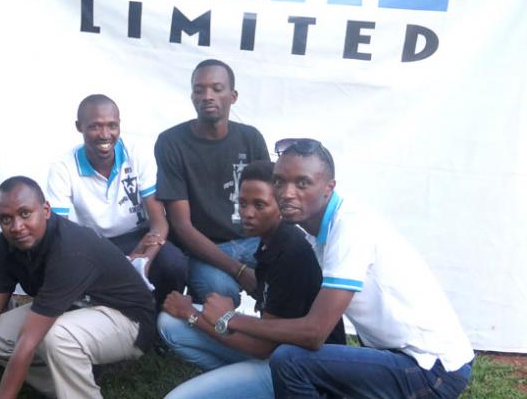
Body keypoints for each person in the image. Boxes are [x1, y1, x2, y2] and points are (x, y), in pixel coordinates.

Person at [198, 138, 474, 398]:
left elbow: (314, 333)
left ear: (328, 188)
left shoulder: (349, 229)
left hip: (432, 369)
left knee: (290, 360)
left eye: (302, 183)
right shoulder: (316, 230)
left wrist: (229, 319)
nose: (287, 193)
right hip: (398, 355)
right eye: (279, 182)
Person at [0, 176, 156, 399]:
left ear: (45, 210)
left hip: (127, 320)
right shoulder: (3, 247)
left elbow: (27, 343)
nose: (17, 226)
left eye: (25, 214)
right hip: (72, 308)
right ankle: (69, 381)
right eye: (6, 219)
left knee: (55, 338)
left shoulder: (69, 249)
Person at [158, 160, 344, 399]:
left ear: (280, 206)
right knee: (169, 323)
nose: (247, 213)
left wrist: (194, 315)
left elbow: (262, 348)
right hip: (275, 350)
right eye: (243, 203)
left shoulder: (290, 252)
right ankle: (240, 384)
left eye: (259, 205)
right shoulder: (269, 242)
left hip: (299, 368)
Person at [46, 94, 187, 307]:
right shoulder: (63, 168)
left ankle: (160, 320)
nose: (105, 135)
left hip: (141, 235)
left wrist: (143, 262)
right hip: (95, 243)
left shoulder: (137, 153)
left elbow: (159, 221)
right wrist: (125, 261)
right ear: (79, 126)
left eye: (112, 125)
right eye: (95, 126)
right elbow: (60, 233)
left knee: (173, 263)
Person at [155, 59, 269, 306]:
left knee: (298, 260)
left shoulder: (251, 138)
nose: (207, 96)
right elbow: (181, 226)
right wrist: (239, 271)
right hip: (203, 248)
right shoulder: (171, 142)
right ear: (192, 97)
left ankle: (283, 333)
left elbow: (270, 205)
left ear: (233, 96)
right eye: (199, 90)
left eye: (217, 89)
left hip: (252, 241)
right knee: (221, 290)